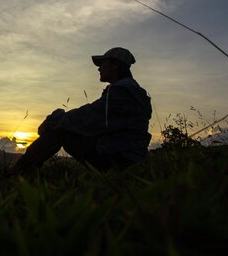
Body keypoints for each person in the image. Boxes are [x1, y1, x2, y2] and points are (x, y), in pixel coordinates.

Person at [9, 47, 152, 175]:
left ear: (115, 65)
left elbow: (90, 116)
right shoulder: (133, 91)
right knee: (63, 127)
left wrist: (54, 120)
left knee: (61, 132)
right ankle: (21, 172)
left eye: (102, 64)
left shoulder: (122, 91)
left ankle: (16, 174)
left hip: (120, 158)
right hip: (128, 154)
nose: (99, 68)